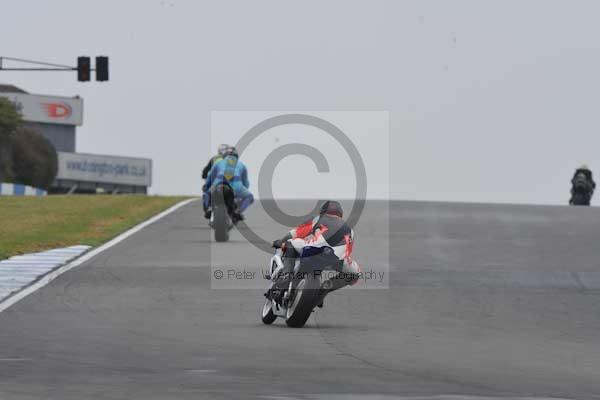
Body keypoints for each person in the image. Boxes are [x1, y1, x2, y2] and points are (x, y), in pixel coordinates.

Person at [271, 200, 360, 308]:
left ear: (322, 211)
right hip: (337, 260)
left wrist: (281, 241)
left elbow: (296, 233)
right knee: (355, 274)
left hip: (313, 251)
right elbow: (348, 251)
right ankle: (325, 289)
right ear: (340, 214)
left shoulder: (318, 219)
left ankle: (285, 279)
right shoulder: (350, 230)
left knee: (290, 244)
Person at [203, 146, 254, 222]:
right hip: (236, 186)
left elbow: (210, 176)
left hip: (219, 183)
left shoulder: (218, 163)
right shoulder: (241, 165)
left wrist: (206, 186)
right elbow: (245, 182)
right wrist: (244, 188)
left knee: (207, 193)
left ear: (225, 155)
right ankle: (238, 211)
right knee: (249, 197)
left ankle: (209, 208)